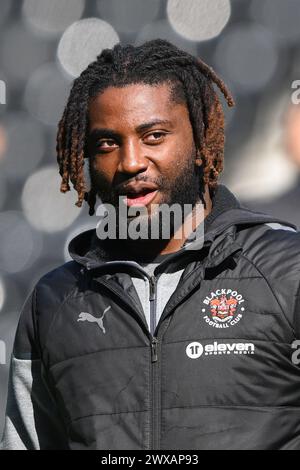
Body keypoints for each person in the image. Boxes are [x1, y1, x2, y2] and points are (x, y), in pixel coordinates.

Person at [2, 39, 300, 450]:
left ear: (199, 140)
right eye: (107, 143)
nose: (130, 162)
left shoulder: (287, 271)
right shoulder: (54, 303)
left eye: (154, 136)